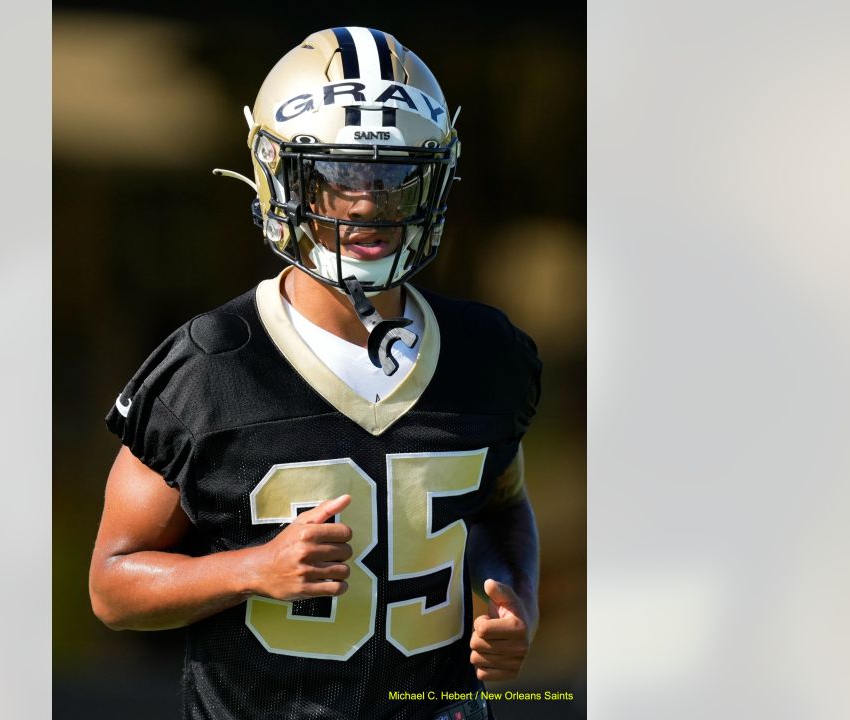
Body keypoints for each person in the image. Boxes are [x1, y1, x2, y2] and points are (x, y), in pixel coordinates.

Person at [89, 26, 542, 720]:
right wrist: (252, 569)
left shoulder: (486, 353)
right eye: (336, 177)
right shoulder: (212, 366)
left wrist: (516, 596)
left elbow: (500, 506)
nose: (366, 204)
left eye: (395, 177)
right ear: (280, 176)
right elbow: (112, 588)